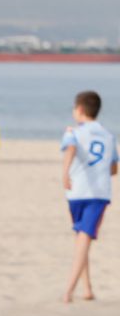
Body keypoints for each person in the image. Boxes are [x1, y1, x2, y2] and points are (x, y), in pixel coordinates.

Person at [61, 90, 116, 303]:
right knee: (83, 239)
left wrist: (65, 172)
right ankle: (86, 287)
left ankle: (71, 289)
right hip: (98, 193)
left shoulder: (73, 132)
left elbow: (71, 149)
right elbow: (113, 169)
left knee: (82, 238)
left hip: (75, 192)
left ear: (80, 110)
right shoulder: (108, 136)